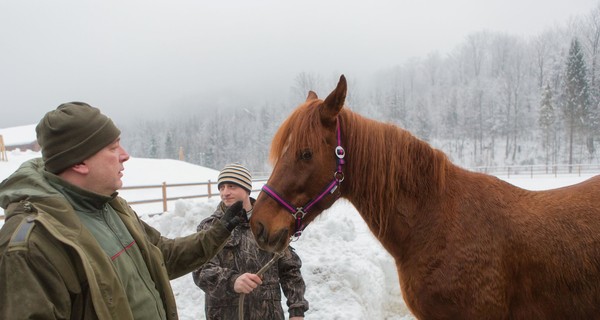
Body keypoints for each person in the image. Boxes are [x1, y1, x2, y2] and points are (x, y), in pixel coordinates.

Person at [0, 102, 247, 319]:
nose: (125, 156)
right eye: (112, 148)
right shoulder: (32, 244)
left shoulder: (112, 208)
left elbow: (163, 257)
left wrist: (221, 229)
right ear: (78, 162)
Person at [193, 163, 309, 319]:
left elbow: (290, 269)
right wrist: (232, 281)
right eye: (221, 188)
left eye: (232, 186)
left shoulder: (269, 224)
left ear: (246, 189)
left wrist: (297, 310)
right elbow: (200, 270)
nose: (225, 193)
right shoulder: (210, 227)